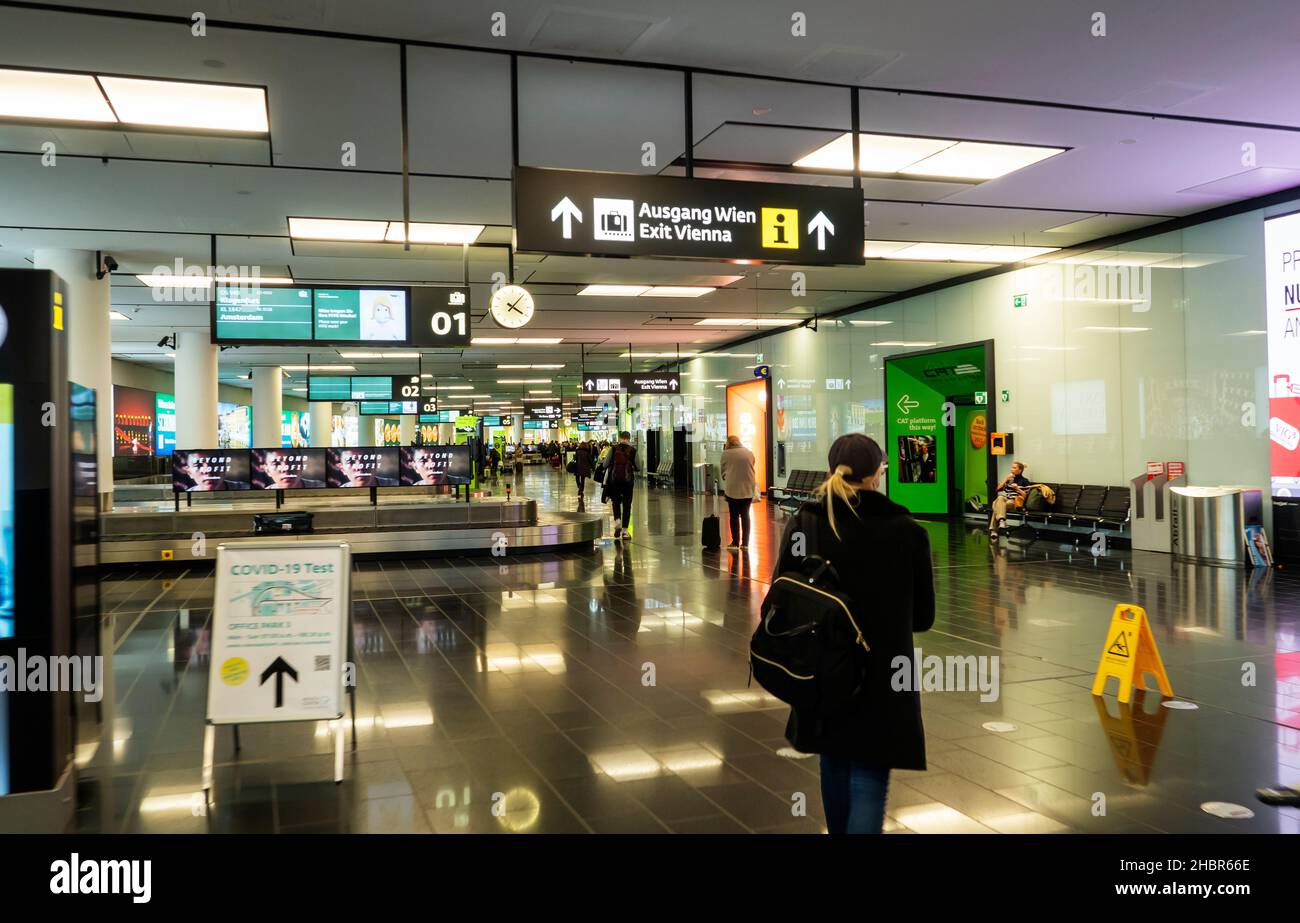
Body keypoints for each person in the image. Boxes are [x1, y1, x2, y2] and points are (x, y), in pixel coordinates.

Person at [772, 434, 935, 834]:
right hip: (883, 676)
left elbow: (782, 596)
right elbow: (923, 617)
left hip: (824, 672)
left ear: (831, 470)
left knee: (834, 761)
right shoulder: (906, 530)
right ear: (877, 473)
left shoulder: (806, 522)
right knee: (868, 775)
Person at [719, 434, 757, 550]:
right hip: (748, 488)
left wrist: (725, 475)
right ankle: (745, 544)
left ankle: (735, 542)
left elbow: (723, 470)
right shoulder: (749, 452)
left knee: (734, 515)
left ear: (728, 444)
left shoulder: (726, 454)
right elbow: (753, 463)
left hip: (733, 489)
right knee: (745, 515)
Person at [603, 431, 639, 541]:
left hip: (615, 481)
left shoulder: (613, 449)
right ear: (629, 438)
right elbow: (639, 466)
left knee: (616, 502)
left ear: (620, 438)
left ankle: (617, 521)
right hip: (628, 482)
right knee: (627, 505)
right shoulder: (633, 450)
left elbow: (605, 464)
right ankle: (624, 531)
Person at [989, 460, 1029, 539]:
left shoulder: (1025, 481)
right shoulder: (1009, 479)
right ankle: (1002, 521)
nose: (1011, 469)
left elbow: (1025, 496)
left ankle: (994, 530)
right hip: (1005, 499)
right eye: (1011, 467)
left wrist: (1017, 488)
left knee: (996, 505)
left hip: (1015, 501)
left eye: (1014, 468)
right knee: (1000, 497)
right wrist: (1006, 479)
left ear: (1020, 470)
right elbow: (997, 489)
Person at [573, 440, 593, 510]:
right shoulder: (587, 452)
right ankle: (581, 489)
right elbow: (590, 460)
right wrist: (593, 467)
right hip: (584, 468)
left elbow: (574, 459)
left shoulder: (577, 451)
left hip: (578, 467)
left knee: (577, 478)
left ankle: (579, 487)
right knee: (583, 479)